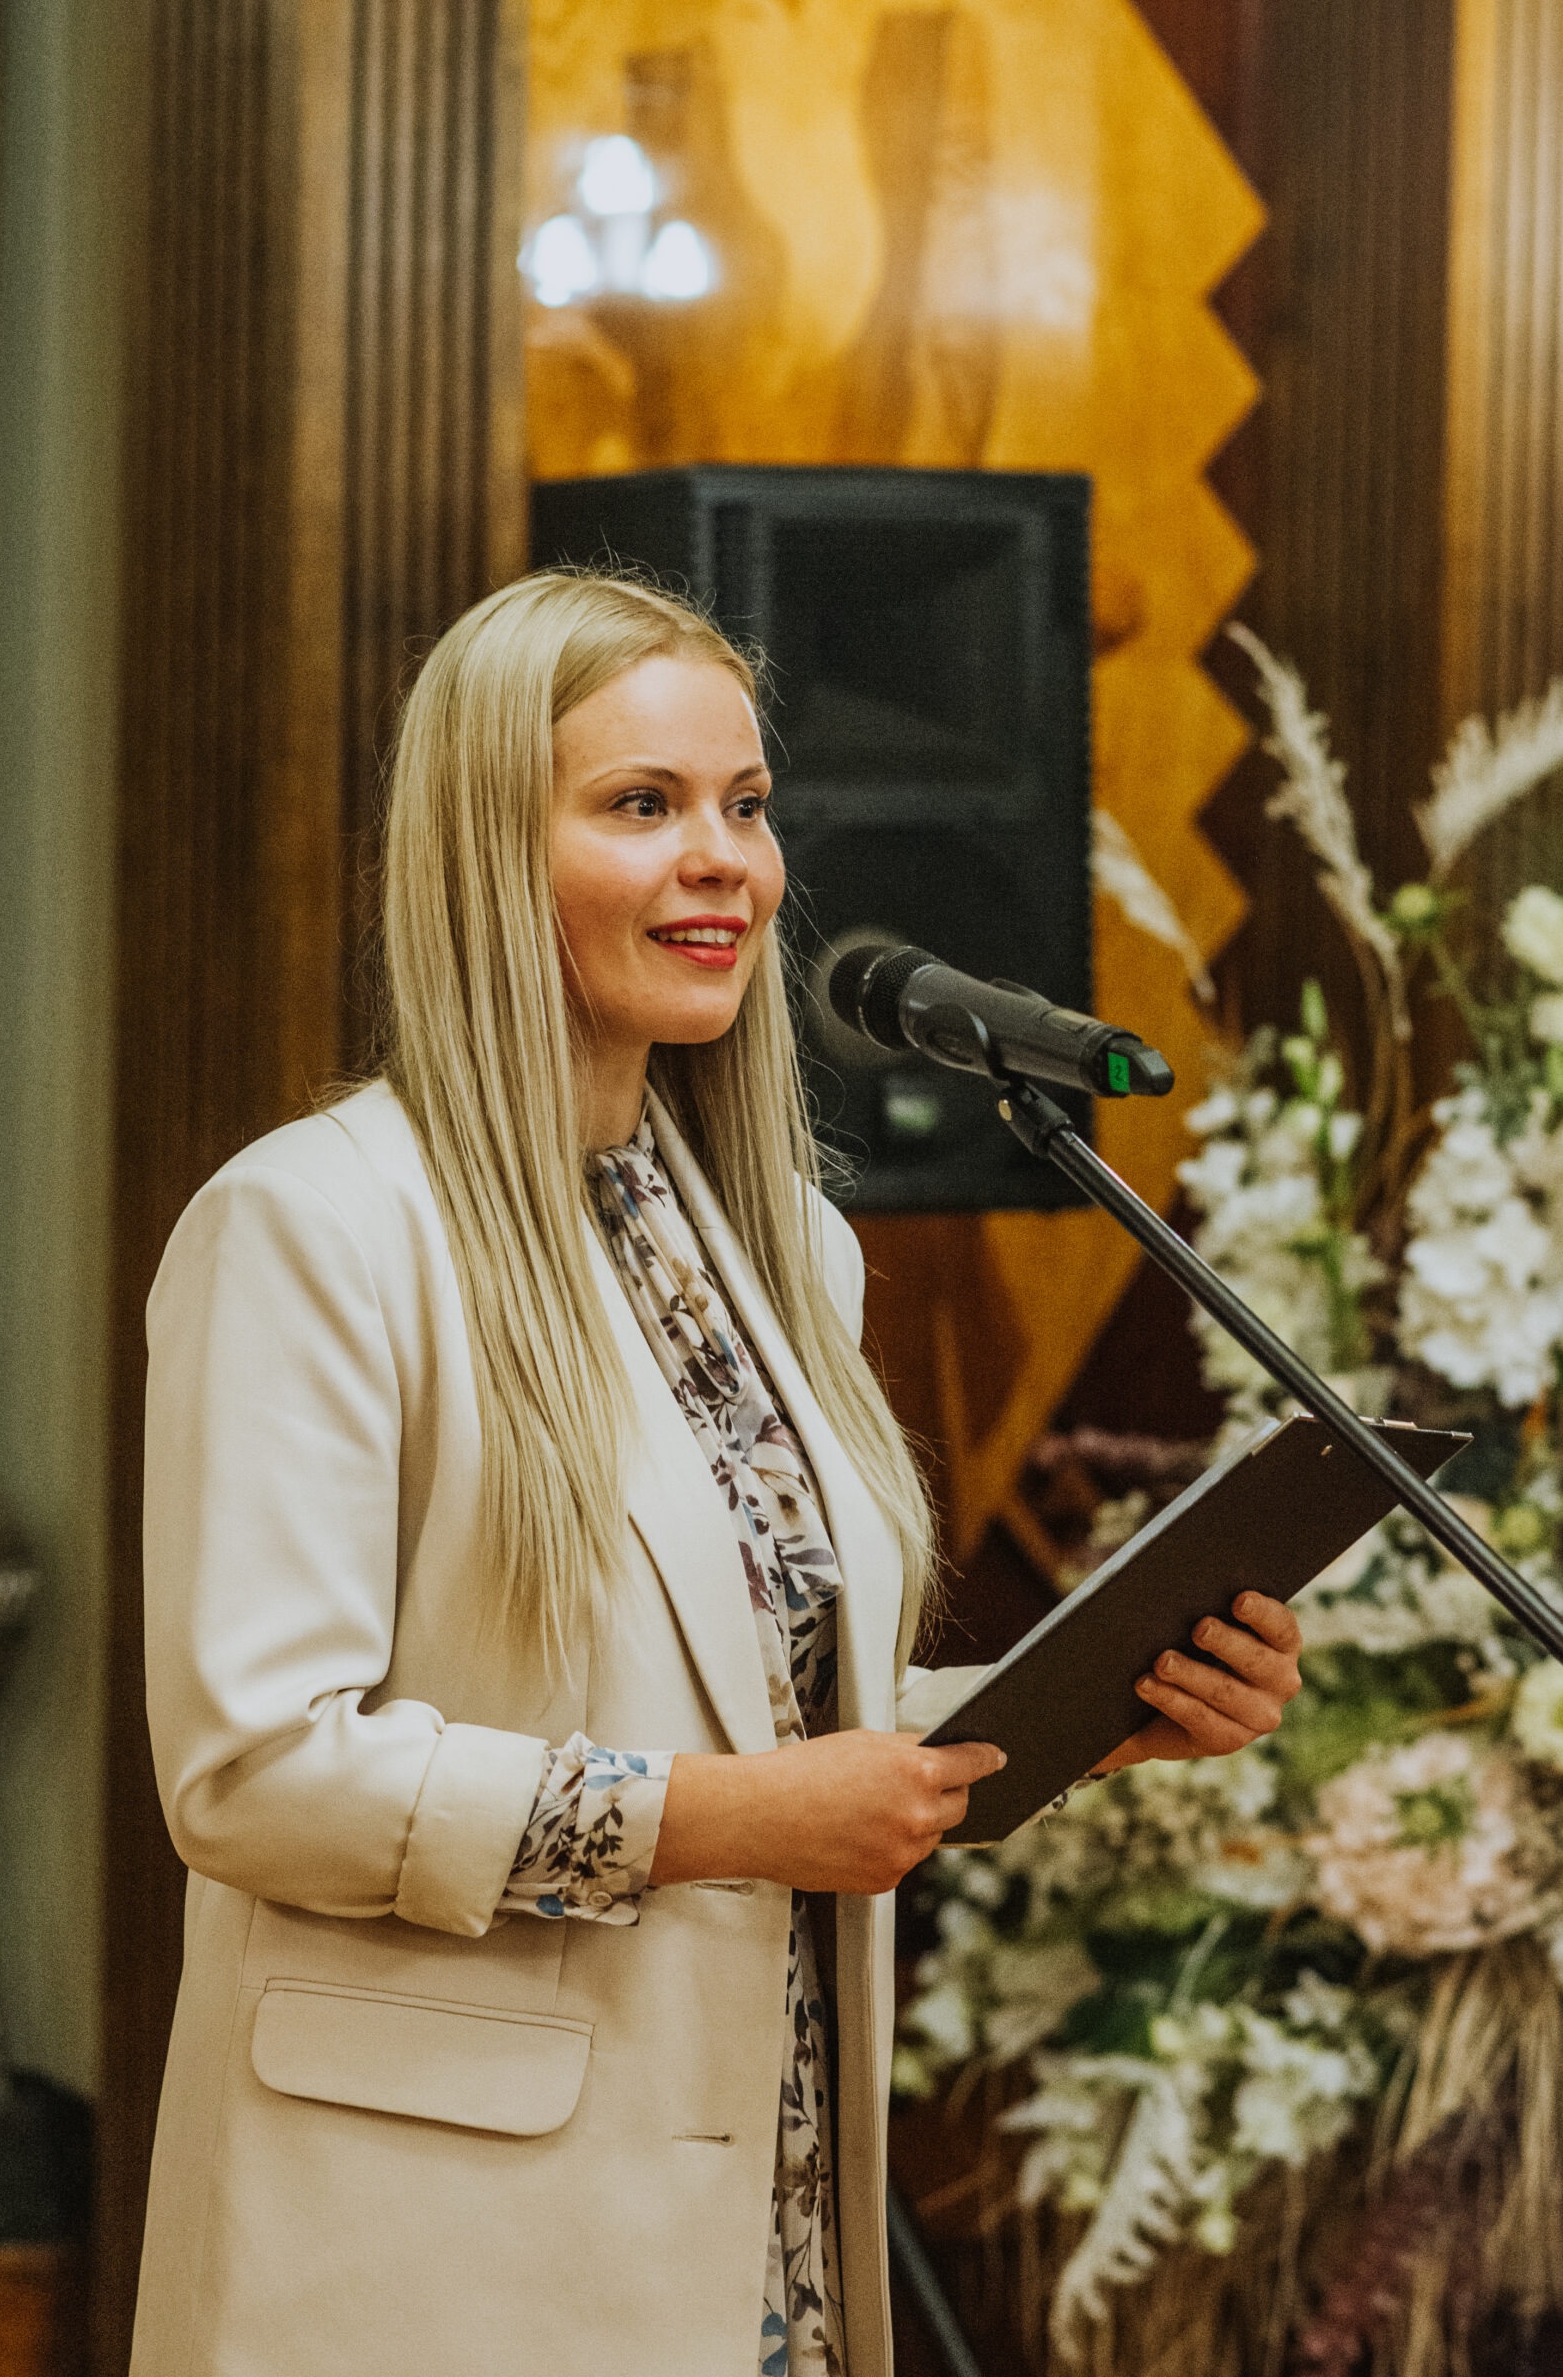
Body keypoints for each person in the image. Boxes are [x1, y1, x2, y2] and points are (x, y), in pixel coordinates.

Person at [130, 572, 1303, 2377]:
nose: (723, 864)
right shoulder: (314, 1225)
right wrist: (718, 1822)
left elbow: (764, 1721)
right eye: (639, 804)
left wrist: (1082, 1716)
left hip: (759, 2212)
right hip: (437, 2245)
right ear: (481, 855)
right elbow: (256, 1774)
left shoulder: (782, 1248)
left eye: (745, 806)